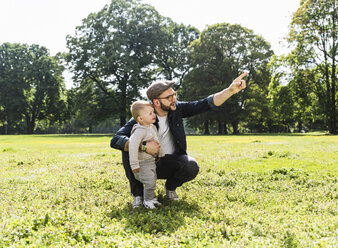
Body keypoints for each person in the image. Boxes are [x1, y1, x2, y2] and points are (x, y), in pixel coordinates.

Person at [111, 72, 247, 208]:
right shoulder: (143, 118)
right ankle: (138, 195)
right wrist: (144, 146)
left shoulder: (177, 109)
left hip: (169, 163)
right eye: (169, 97)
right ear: (156, 102)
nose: (174, 99)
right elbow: (116, 139)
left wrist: (230, 90)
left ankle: (170, 188)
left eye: (174, 95)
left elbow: (205, 104)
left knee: (191, 166)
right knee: (128, 147)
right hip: (146, 165)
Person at [128, 100, 164, 209]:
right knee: (150, 181)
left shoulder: (152, 127)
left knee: (153, 178)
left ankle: (150, 197)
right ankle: (147, 200)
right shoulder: (139, 131)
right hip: (142, 163)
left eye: (153, 112)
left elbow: (158, 141)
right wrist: (134, 165)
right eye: (150, 113)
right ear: (140, 119)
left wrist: (159, 154)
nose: (154, 115)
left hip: (151, 161)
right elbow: (132, 146)